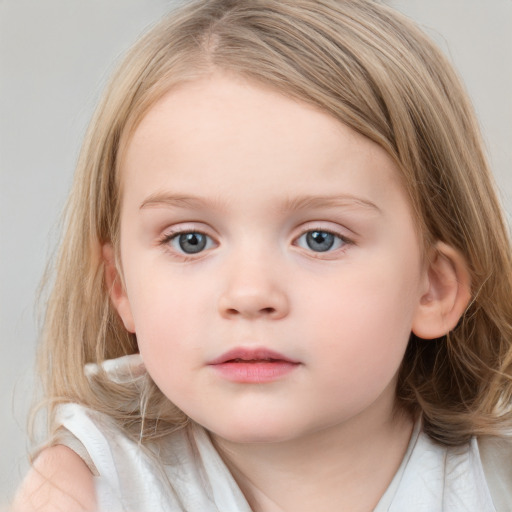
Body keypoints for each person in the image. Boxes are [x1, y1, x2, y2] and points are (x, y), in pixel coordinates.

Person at [12, 0, 512, 510]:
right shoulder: (88, 488)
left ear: (433, 288)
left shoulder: (494, 485)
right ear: (121, 287)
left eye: (321, 238)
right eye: (191, 240)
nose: (249, 294)